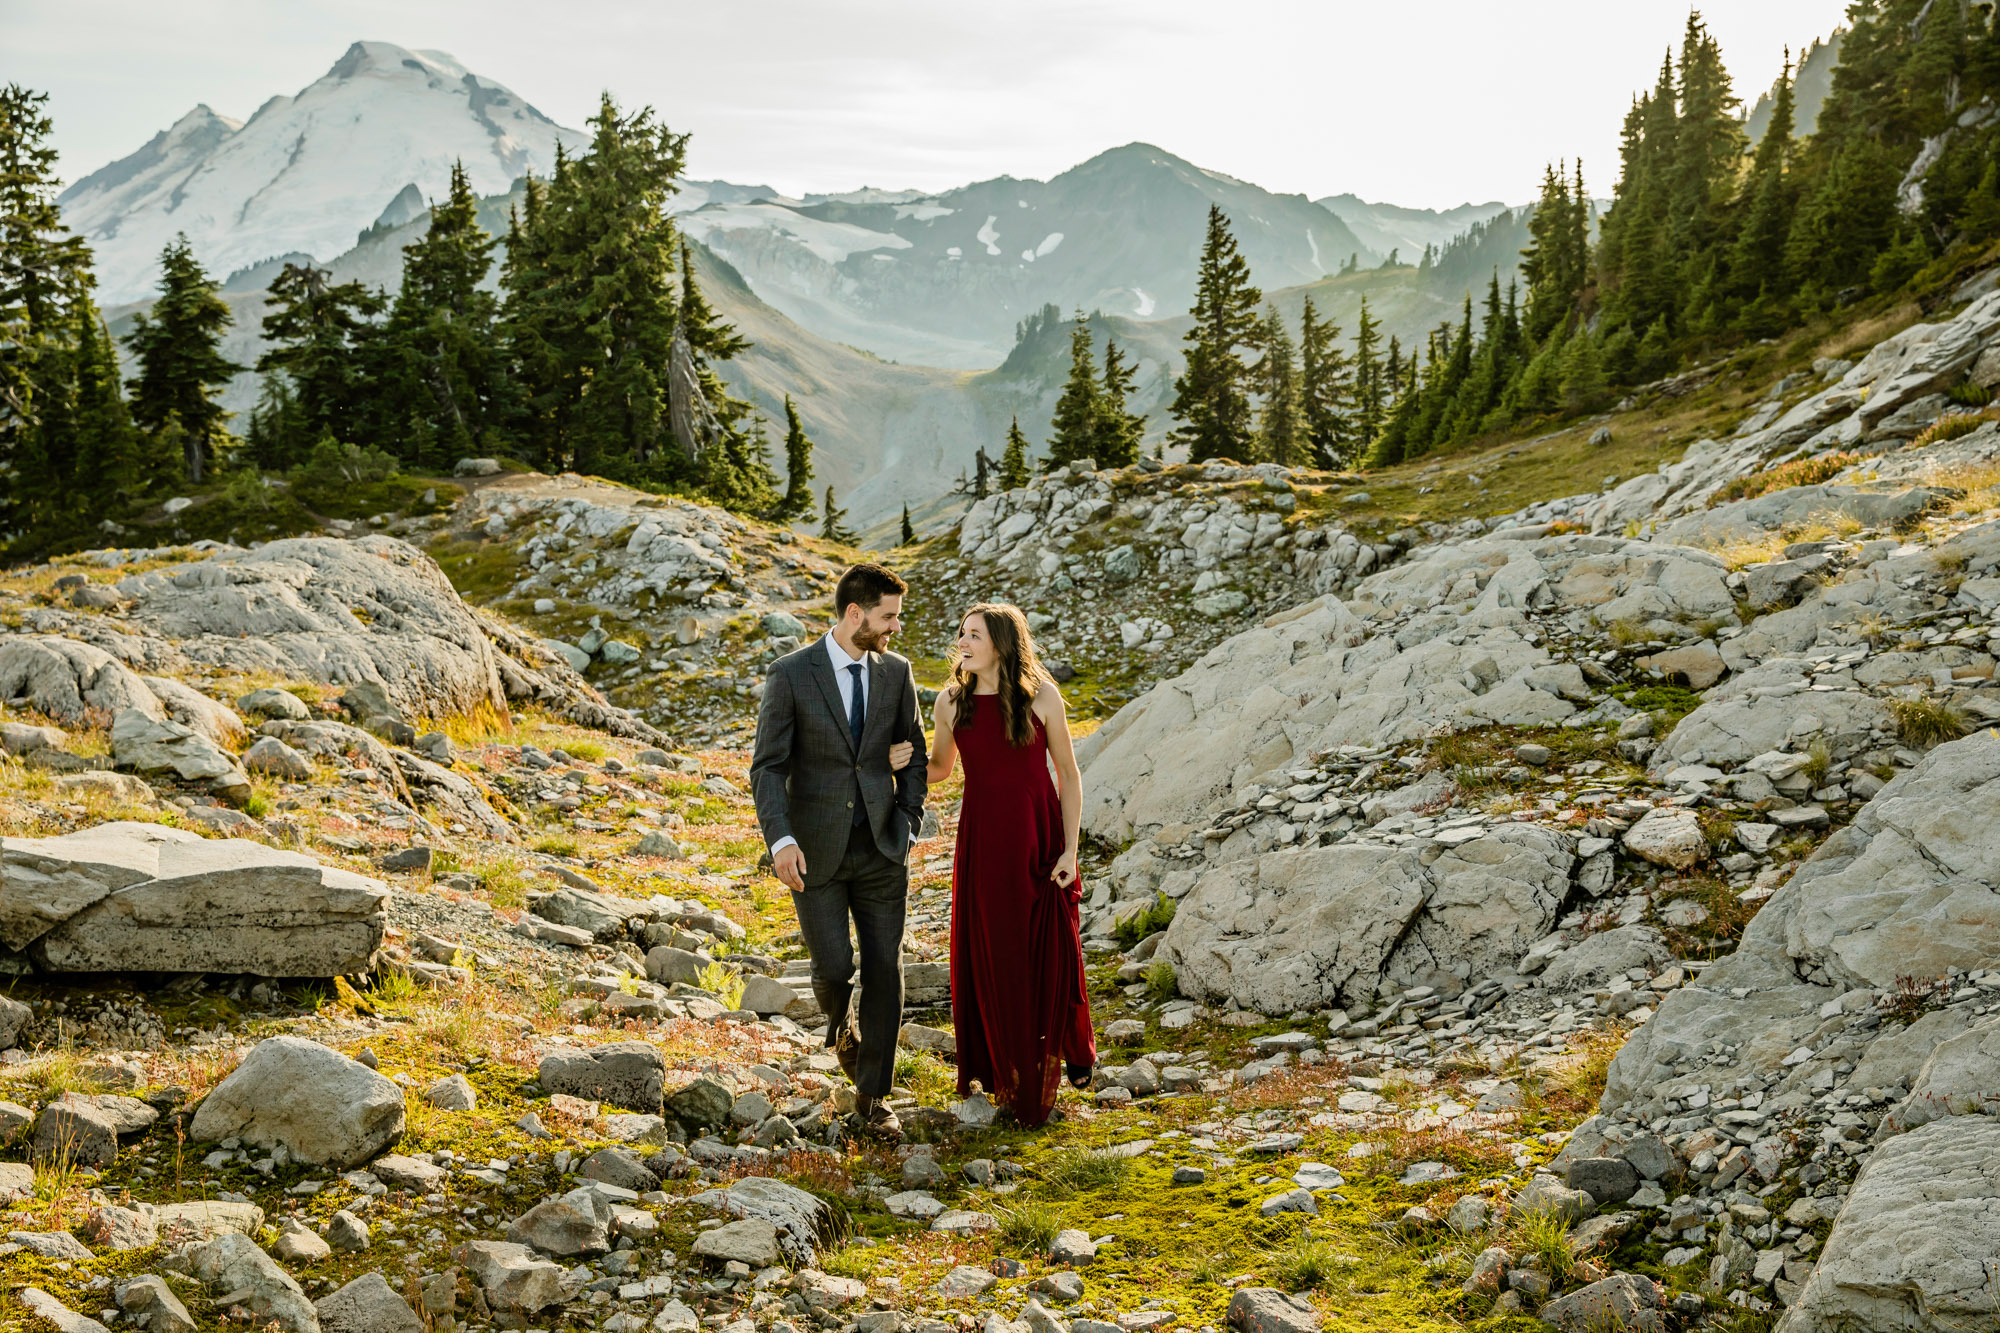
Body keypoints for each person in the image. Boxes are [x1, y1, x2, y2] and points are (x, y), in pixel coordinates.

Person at [749, 563, 928, 1140]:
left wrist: (907, 822)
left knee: (885, 969)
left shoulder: (898, 674)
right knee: (832, 970)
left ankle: (874, 1097)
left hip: (882, 849)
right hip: (814, 853)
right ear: (856, 614)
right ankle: (844, 1031)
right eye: (889, 616)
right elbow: (769, 768)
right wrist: (780, 839)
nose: (896, 627)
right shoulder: (791, 675)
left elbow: (916, 757)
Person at [920, 602, 1095, 1126]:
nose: (964, 643)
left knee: (1049, 949)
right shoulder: (950, 701)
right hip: (983, 842)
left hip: (1038, 838)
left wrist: (1069, 849)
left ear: (1000, 642)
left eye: (974, 635)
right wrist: (893, 762)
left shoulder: (1042, 696)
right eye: (961, 634)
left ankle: (1062, 1052)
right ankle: (1002, 1071)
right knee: (992, 954)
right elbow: (940, 769)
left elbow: (1068, 773)